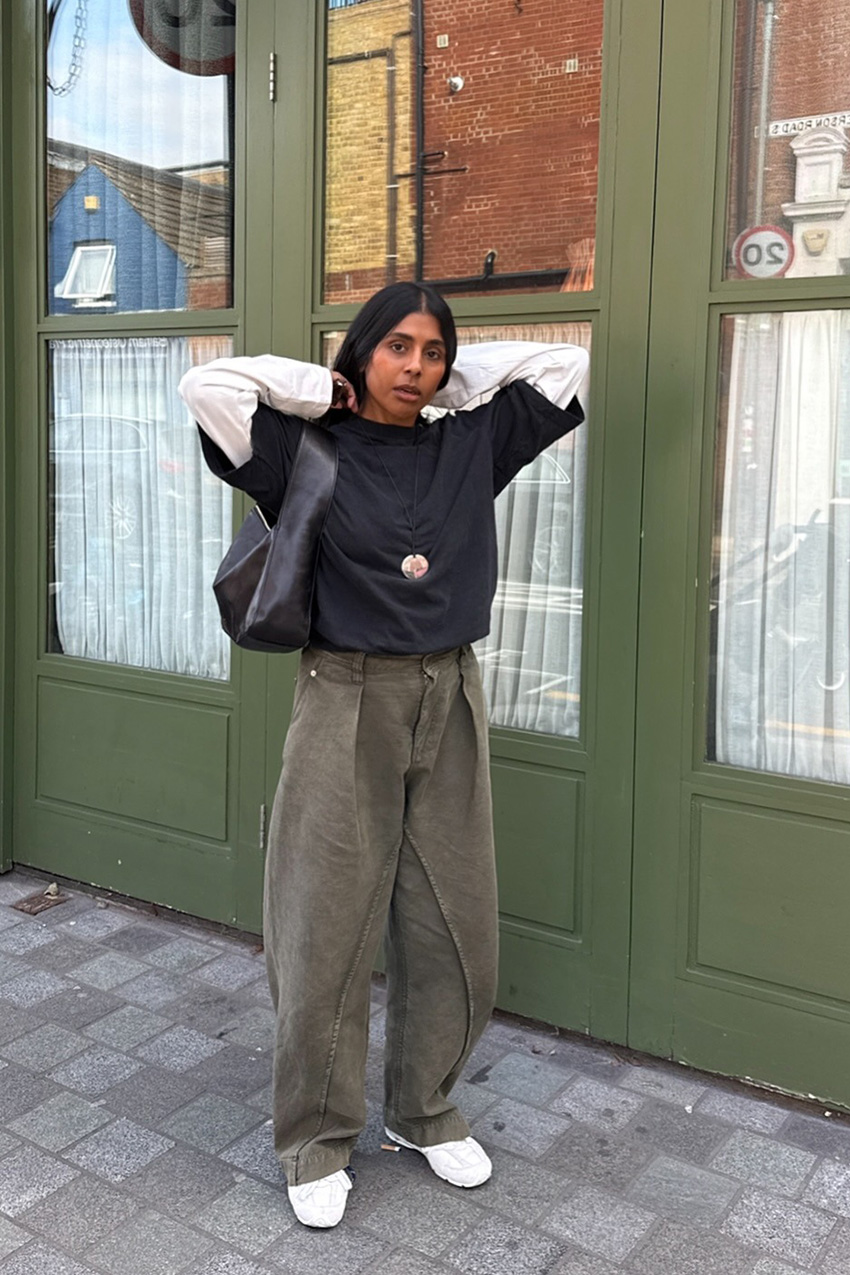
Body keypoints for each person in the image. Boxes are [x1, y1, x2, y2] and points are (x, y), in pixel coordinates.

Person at [178, 282, 588, 1228]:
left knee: (455, 917)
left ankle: (423, 1108)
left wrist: (451, 394)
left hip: (451, 689)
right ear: (360, 352)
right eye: (396, 346)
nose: (416, 365)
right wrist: (323, 390)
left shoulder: (467, 442)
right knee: (324, 919)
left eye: (433, 351)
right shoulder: (304, 449)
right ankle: (316, 1134)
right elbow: (211, 389)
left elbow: (571, 369)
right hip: (344, 693)